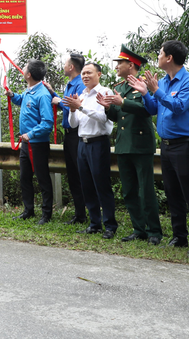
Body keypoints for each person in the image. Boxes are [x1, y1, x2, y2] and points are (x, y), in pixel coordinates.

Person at [129, 40, 189, 257]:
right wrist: (146, 93)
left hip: (185, 145)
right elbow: (154, 108)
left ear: (169, 58)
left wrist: (155, 90)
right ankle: (179, 236)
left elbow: (180, 107)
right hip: (166, 146)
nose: (159, 56)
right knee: (173, 193)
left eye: (161, 53)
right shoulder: (161, 81)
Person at [99, 45, 162, 244]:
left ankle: (154, 231)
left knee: (145, 190)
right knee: (128, 190)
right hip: (124, 145)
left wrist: (122, 103)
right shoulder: (119, 87)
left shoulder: (144, 85)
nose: (117, 66)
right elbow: (119, 117)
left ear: (131, 65)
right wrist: (108, 108)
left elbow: (148, 110)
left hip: (141, 144)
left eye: (120, 63)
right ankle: (138, 229)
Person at [64, 62, 117, 238]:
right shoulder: (82, 95)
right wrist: (73, 110)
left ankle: (110, 225)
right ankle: (95, 223)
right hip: (82, 143)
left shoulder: (106, 92)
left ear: (99, 74)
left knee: (102, 185)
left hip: (98, 143)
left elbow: (103, 118)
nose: (85, 76)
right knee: (86, 185)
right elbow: (74, 124)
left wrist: (79, 107)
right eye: (84, 73)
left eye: (89, 73)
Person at [6, 59, 55, 225]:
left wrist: (31, 134)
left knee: (42, 179)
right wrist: (13, 96)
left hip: (37, 143)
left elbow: (48, 123)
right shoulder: (30, 90)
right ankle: (28, 210)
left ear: (28, 75)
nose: (23, 69)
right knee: (24, 177)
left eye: (25, 68)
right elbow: (23, 102)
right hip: (26, 143)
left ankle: (46, 214)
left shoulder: (43, 94)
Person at [50, 53, 88, 225]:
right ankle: (79, 214)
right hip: (69, 135)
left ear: (71, 67)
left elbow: (79, 105)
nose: (64, 65)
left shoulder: (80, 84)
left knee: (80, 175)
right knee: (73, 175)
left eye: (65, 63)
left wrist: (59, 102)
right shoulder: (70, 84)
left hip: (77, 134)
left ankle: (85, 215)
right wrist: (53, 93)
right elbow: (66, 102)